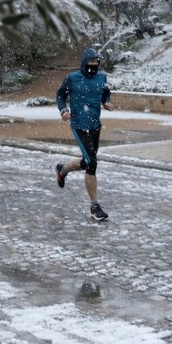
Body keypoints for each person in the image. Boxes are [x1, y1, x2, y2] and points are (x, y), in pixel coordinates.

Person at [54, 47, 114, 221]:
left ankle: (63, 169)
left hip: (95, 124)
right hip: (79, 125)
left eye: (96, 62)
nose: (93, 65)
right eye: (91, 62)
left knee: (87, 161)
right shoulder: (72, 78)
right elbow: (60, 96)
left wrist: (107, 102)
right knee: (92, 163)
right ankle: (95, 207)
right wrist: (64, 110)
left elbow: (105, 93)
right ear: (84, 63)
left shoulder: (101, 77)